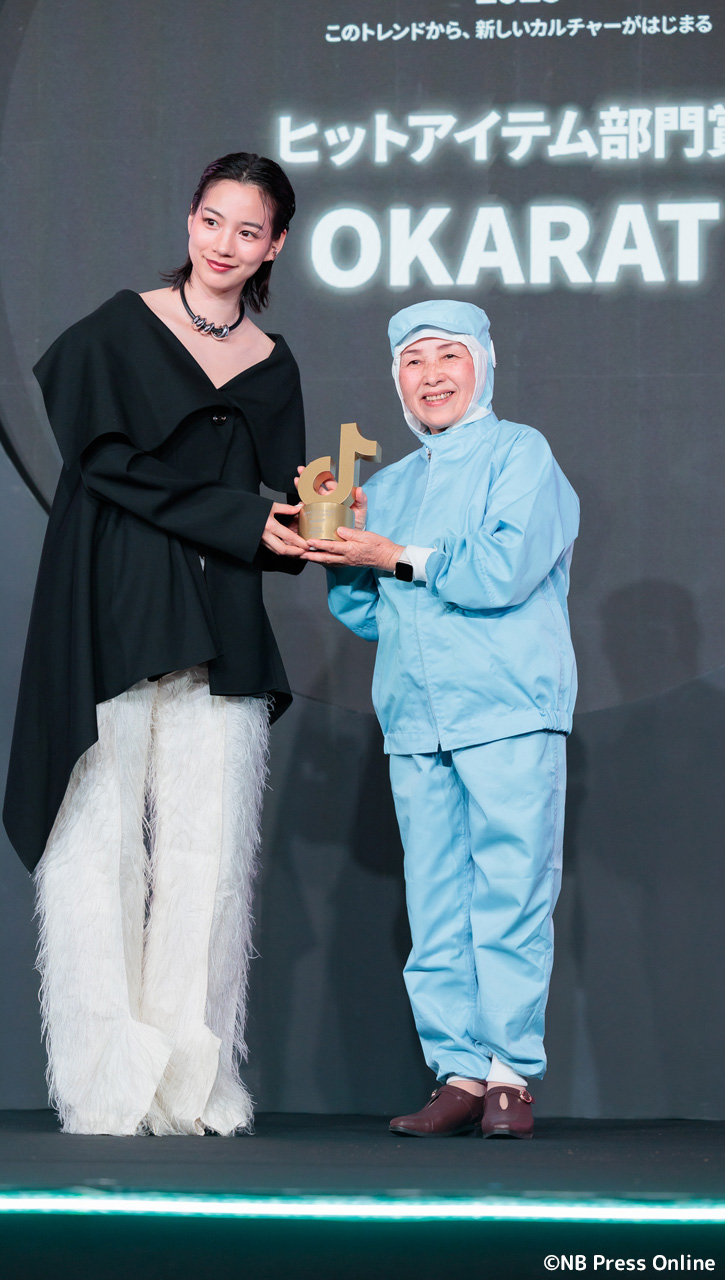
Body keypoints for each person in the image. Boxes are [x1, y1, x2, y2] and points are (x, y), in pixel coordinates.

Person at [3, 153, 308, 1137]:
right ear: (188, 220)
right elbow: (107, 467)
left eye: (247, 230)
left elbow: (286, 501)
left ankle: (193, 1082)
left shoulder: (272, 362)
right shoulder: (117, 329)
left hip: (221, 617)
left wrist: (311, 523)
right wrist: (246, 519)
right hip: (114, 599)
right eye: (211, 220)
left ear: (275, 246)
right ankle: (105, 1082)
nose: (224, 244)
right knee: (96, 845)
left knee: (208, 854)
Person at [302, 300, 578, 1139]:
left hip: (507, 708)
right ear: (395, 379)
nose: (430, 375)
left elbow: (501, 570)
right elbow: (369, 614)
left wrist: (390, 553)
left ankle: (508, 1077)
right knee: (435, 902)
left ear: (482, 364)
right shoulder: (387, 486)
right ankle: (457, 1072)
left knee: (510, 891)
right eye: (413, 361)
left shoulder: (520, 453)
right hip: (417, 719)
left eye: (447, 356)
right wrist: (338, 547)